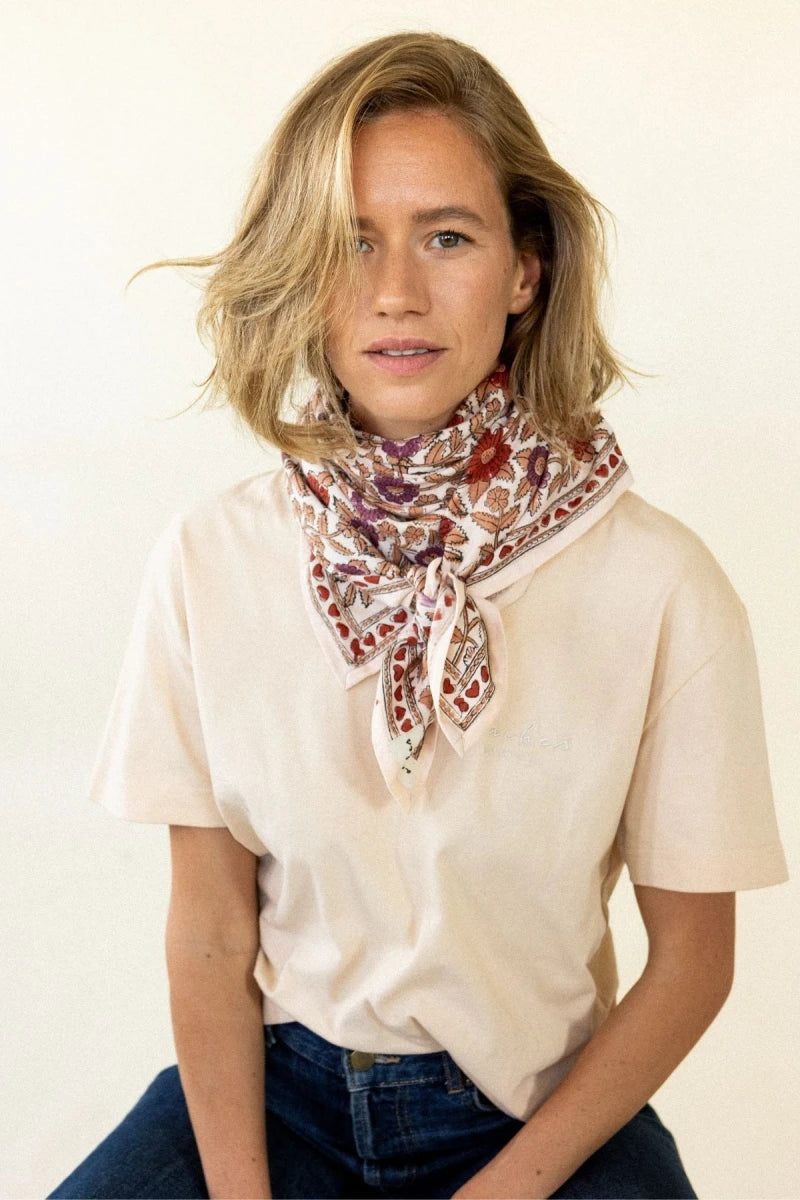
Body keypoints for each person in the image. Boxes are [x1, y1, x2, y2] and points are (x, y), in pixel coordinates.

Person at [49, 30, 787, 1200]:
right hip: (271, 1099)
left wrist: (508, 1189)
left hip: (536, 1115)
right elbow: (212, 931)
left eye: (446, 236)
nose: (394, 292)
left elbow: (692, 965)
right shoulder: (211, 560)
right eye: (350, 243)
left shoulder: (658, 586)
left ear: (525, 271)